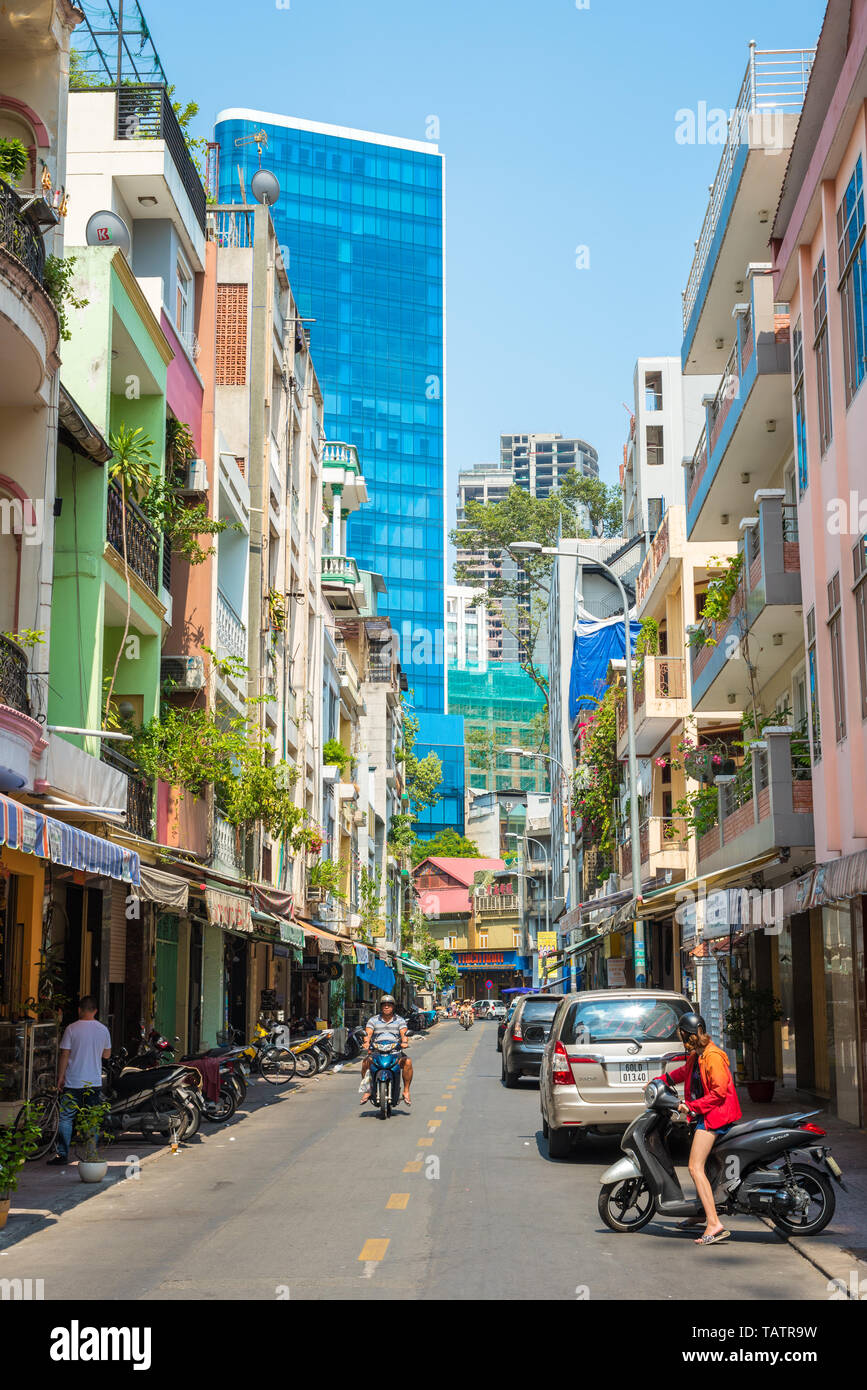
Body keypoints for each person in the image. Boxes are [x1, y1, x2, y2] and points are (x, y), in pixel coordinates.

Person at [660, 1010, 742, 1246]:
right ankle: (699, 1213)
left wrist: (692, 1106)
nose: (682, 1040)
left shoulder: (713, 1056)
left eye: (682, 1036)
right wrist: (662, 1081)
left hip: (716, 1117)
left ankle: (714, 1223)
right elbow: (684, 1073)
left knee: (695, 1167)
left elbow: (719, 1092)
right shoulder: (698, 1055)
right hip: (705, 1114)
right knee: (703, 1166)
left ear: (688, 1036)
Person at [47, 996, 112, 1166]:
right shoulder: (103, 1030)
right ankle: (91, 1154)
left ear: (79, 1010)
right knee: (92, 1117)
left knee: (66, 1118)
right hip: (93, 1083)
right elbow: (107, 1055)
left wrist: (61, 1077)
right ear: (95, 1011)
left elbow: (64, 1054)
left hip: (72, 1082)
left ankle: (62, 1155)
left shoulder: (71, 1029)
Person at [359, 995, 412, 1105]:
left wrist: (405, 1042)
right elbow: (368, 1033)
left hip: (395, 1051)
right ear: (381, 1007)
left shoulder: (400, 1020)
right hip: (377, 1051)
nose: (386, 1007)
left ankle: (406, 1091)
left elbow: (404, 1033)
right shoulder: (373, 1020)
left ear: (393, 1007)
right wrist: (366, 1042)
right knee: (365, 1063)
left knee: (407, 1062)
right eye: (384, 1005)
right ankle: (368, 1090)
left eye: (389, 1005)